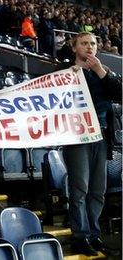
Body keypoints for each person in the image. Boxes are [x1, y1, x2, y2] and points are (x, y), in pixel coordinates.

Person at [58, 32, 121, 257]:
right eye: (84, 43)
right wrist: (70, 77)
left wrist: (100, 71)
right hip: (76, 137)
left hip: (101, 136)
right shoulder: (63, 72)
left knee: (98, 190)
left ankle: (94, 235)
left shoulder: (103, 73)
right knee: (80, 189)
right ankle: (80, 236)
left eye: (93, 44)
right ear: (75, 48)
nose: (89, 47)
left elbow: (120, 93)